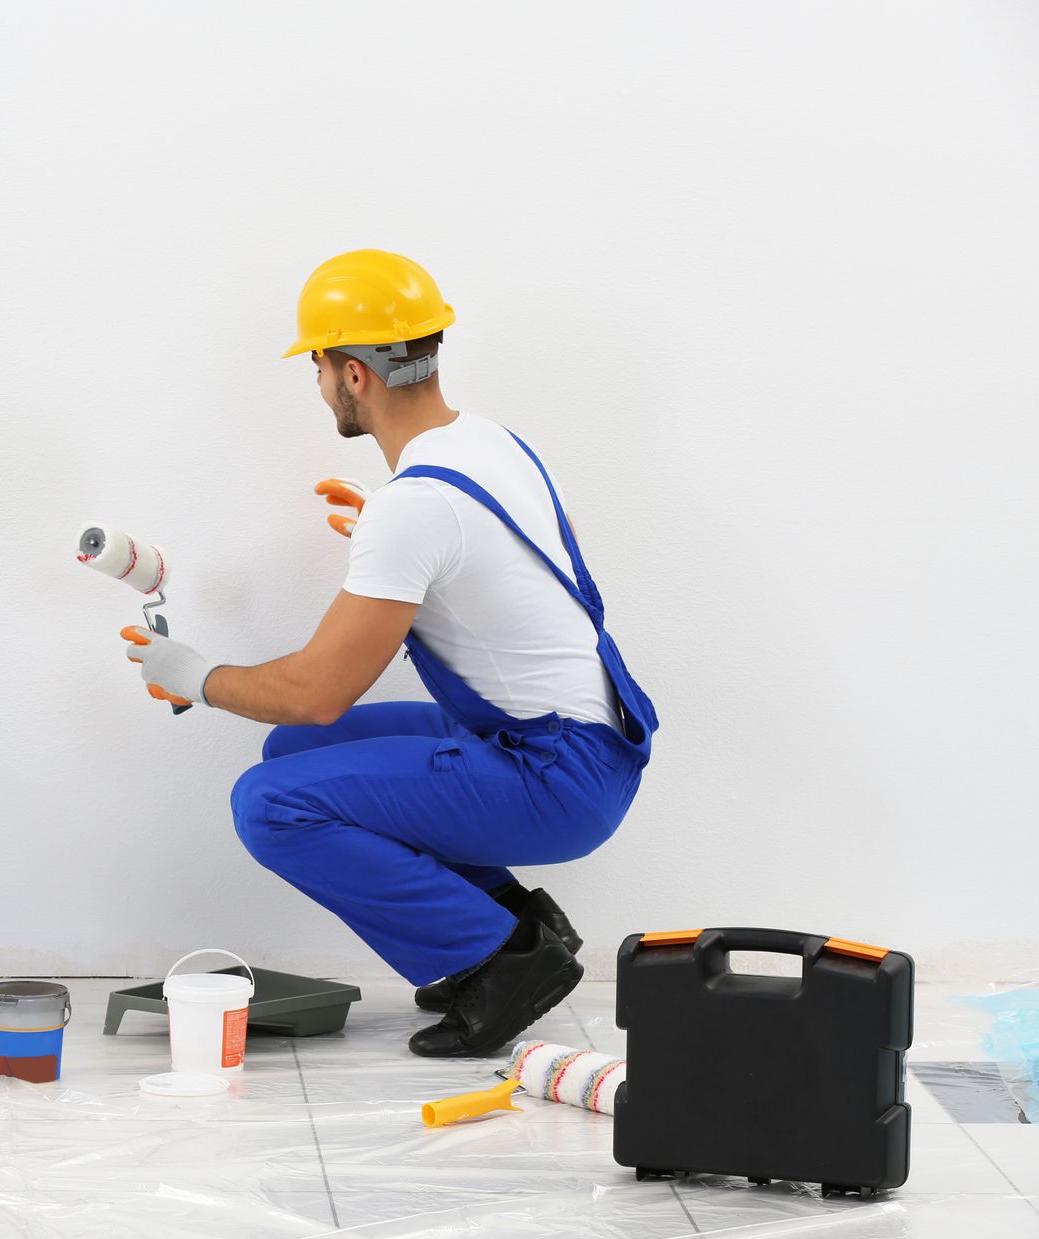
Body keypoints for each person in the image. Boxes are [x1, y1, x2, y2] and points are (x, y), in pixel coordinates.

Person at [120, 250, 656, 1056]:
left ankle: (499, 964)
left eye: (318, 366)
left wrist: (195, 677)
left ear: (354, 375)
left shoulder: (416, 510)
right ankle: (518, 925)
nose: (317, 385)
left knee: (270, 802)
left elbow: (316, 691)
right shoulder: (487, 444)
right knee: (297, 752)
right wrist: (392, 535)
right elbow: (514, 565)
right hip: (584, 742)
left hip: (555, 776)